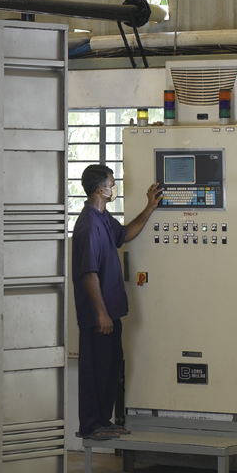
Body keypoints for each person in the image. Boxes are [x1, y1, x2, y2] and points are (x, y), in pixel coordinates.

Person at [72, 164, 163, 441]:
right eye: (112, 184)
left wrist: (150, 207)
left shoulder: (102, 218)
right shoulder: (88, 226)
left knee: (110, 368)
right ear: (101, 190)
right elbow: (89, 274)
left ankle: (104, 421)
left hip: (112, 312)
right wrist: (101, 313)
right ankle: (90, 425)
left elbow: (125, 234)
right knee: (95, 370)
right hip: (98, 316)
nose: (114, 188)